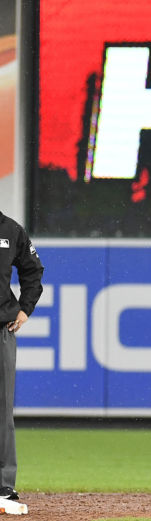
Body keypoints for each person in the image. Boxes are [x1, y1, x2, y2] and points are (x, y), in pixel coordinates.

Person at [0, 210, 44, 504]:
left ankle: (3, 485)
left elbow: (33, 269)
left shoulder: (10, 230)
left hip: (0, 328)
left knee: (2, 409)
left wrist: (25, 307)